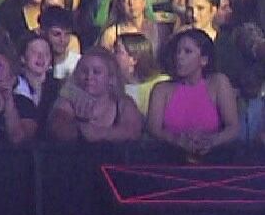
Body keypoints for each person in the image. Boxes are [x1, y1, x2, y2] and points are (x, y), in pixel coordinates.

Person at [146, 29, 241, 158]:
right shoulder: (161, 90)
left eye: (187, 52)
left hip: (214, 161)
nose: (179, 57)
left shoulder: (218, 83)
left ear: (204, 60)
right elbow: (153, 129)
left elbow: (233, 127)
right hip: (169, 162)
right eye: (178, 52)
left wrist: (211, 142)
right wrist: (177, 140)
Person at [47, 48, 144, 143]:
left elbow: (133, 132)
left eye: (96, 72)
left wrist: (98, 133)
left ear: (110, 78)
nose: (89, 77)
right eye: (84, 71)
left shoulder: (124, 103)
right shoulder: (68, 100)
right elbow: (57, 129)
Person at [113, 32, 166, 115]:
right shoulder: (112, 87)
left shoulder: (162, 84)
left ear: (134, 59)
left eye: (117, 51)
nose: (112, 55)